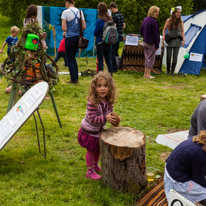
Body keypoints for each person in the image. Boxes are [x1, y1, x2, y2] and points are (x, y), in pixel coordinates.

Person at [78, 71, 118, 180]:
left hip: (99, 130)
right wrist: (105, 118)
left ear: (110, 87)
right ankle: (89, 171)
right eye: (99, 86)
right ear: (94, 87)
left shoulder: (108, 101)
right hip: (89, 131)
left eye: (105, 86)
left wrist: (114, 118)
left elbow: (109, 113)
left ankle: (95, 165)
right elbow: (92, 118)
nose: (102, 88)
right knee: (91, 150)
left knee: (98, 149)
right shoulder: (93, 102)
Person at [164, 130, 206, 205]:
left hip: (173, 169)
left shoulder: (197, 139)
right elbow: (199, 179)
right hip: (177, 180)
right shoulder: (200, 154)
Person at [61, 0, 86, 84]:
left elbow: (64, 28)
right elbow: (84, 26)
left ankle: (73, 79)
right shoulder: (80, 11)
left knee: (69, 58)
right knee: (73, 57)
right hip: (77, 38)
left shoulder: (65, 12)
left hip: (69, 38)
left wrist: (69, 29)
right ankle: (76, 78)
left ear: (67, 3)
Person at [162, 7, 185, 75]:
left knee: (175, 57)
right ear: (174, 13)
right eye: (178, 12)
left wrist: (183, 40)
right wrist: (163, 36)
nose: (179, 14)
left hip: (177, 40)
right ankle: (168, 71)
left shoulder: (181, 21)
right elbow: (164, 29)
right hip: (169, 40)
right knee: (168, 56)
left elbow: (182, 31)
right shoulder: (168, 20)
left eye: (180, 12)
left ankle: (172, 72)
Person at [140, 6, 160, 79]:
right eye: (157, 12)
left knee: (146, 58)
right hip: (151, 43)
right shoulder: (154, 22)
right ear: (153, 12)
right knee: (151, 59)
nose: (158, 13)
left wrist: (145, 35)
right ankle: (148, 74)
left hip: (145, 41)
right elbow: (156, 35)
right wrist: (157, 45)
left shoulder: (145, 19)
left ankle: (145, 74)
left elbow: (141, 30)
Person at [94, 2, 113, 75]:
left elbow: (95, 33)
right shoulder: (110, 20)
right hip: (108, 42)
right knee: (108, 60)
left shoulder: (99, 21)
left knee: (100, 61)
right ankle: (110, 75)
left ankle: (100, 76)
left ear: (99, 10)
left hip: (100, 42)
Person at [109, 2, 126, 72]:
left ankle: (114, 68)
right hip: (120, 35)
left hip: (115, 36)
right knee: (116, 52)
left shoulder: (114, 16)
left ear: (112, 8)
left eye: (110, 10)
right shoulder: (121, 15)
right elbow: (124, 25)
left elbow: (114, 26)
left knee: (112, 52)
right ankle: (118, 65)